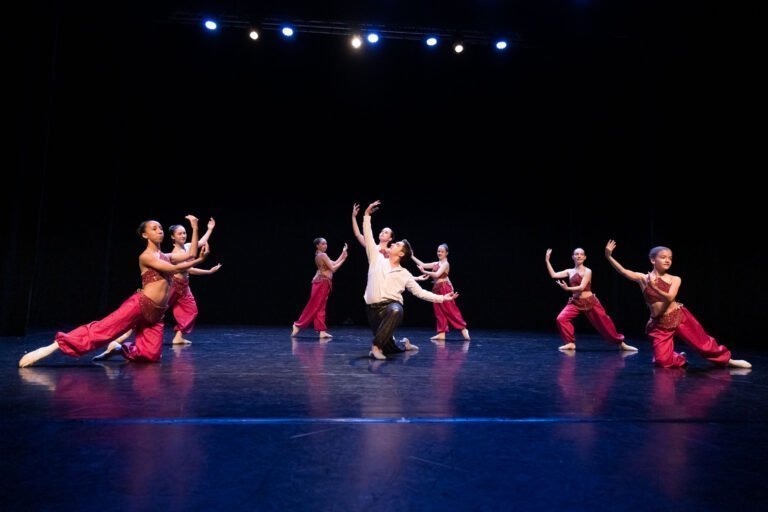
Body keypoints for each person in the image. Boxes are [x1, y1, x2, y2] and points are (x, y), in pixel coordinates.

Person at [18, 216, 209, 368]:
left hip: (156, 314)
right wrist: (200, 261)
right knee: (103, 330)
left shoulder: (165, 255)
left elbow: (190, 254)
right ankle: (53, 347)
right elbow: (174, 270)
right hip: (141, 305)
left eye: (160, 228)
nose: (159, 231)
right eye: (154, 228)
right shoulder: (146, 256)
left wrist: (194, 228)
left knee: (150, 357)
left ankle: (119, 349)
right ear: (145, 235)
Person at [604, 240, 751, 369]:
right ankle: (678, 357)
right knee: (662, 361)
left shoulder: (675, 279)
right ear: (652, 260)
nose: (667, 260)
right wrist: (609, 256)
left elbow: (670, 297)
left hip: (678, 316)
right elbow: (623, 271)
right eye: (663, 257)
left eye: (670, 258)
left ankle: (727, 360)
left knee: (703, 343)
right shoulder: (643, 278)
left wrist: (654, 287)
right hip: (659, 323)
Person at [362, 200, 459, 360]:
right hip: (372, 309)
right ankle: (403, 344)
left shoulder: (404, 273)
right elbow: (368, 235)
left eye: (397, 244)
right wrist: (366, 215)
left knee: (396, 310)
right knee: (390, 347)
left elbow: (420, 292)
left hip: (390, 307)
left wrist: (442, 298)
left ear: (400, 254)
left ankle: (375, 347)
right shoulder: (375, 257)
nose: (393, 243)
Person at [545, 247, 637, 352]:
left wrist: (567, 288)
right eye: (576, 254)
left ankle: (621, 343)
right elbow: (554, 275)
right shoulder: (569, 271)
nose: (579, 256)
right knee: (561, 319)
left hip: (590, 302)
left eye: (581, 254)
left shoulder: (588, 271)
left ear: (584, 257)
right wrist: (547, 260)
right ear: (573, 257)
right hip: (575, 302)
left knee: (605, 323)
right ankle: (570, 343)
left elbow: (581, 287)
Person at [166, 217, 222, 345]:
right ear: (173, 237)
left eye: (184, 233)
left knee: (191, 310)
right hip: (173, 286)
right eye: (179, 233)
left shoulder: (187, 247)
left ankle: (178, 337)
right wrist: (209, 271)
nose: (183, 235)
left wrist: (209, 229)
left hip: (184, 286)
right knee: (157, 310)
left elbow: (201, 242)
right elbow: (190, 270)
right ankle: (132, 328)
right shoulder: (175, 254)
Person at [291, 237, 349, 338]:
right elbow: (333, 268)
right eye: (322, 244)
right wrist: (344, 259)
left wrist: (343, 253)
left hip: (323, 283)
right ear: (317, 245)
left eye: (326, 243)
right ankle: (298, 325)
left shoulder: (320, 255)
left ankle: (321, 331)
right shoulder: (322, 255)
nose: (325, 245)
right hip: (321, 283)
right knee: (314, 306)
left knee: (320, 307)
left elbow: (334, 263)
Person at [412, 243, 470, 341]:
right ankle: (441, 333)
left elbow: (437, 274)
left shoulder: (446, 264)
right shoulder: (436, 263)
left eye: (442, 251)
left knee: (450, 310)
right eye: (438, 251)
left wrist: (424, 272)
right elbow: (422, 264)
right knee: (439, 312)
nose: (439, 253)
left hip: (444, 289)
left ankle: (463, 329)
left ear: (446, 253)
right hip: (436, 289)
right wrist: (412, 256)